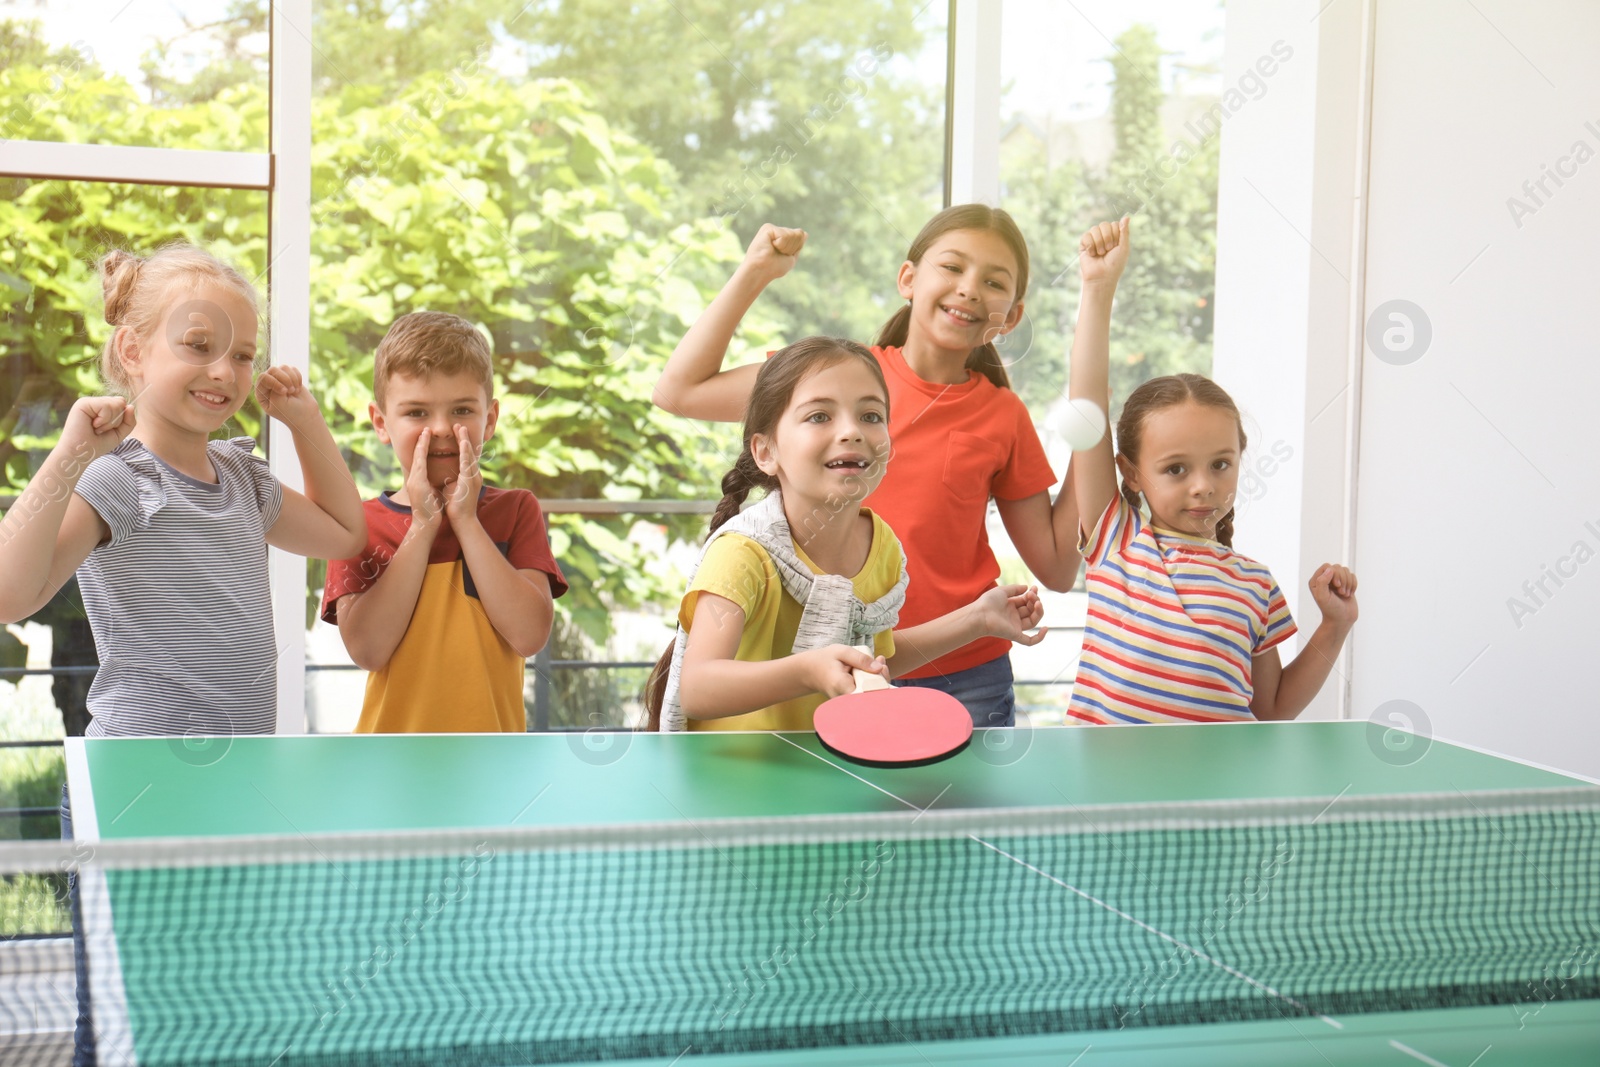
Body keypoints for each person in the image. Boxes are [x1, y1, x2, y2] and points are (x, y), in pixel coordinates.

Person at [0, 241, 367, 1066]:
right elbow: (10, 592)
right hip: (140, 786)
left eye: (242, 353)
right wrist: (67, 457)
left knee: (222, 999)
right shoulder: (118, 480)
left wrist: (303, 418)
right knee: (132, 1009)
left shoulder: (244, 476)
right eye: (198, 345)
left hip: (241, 781)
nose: (226, 371)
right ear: (133, 352)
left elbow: (346, 533)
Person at [652, 206, 1081, 727]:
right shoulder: (835, 376)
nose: (969, 289)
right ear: (908, 278)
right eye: (952, 267)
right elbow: (678, 391)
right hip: (826, 672)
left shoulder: (1000, 418)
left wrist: (1089, 440)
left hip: (963, 677)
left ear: (1010, 316)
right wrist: (755, 273)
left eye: (993, 281)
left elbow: (1058, 566)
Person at [643, 336, 1044, 732]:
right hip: (731, 785)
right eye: (819, 416)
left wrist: (978, 618)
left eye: (871, 416)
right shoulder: (742, 554)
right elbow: (698, 689)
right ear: (766, 452)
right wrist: (807, 670)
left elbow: (871, 659)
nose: (851, 431)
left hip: (820, 775)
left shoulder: (879, 544)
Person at [1066, 217, 1359, 724]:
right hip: (1105, 796)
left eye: (1221, 464)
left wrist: (1335, 624)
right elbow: (1086, 405)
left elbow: (1272, 710)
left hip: (1210, 801)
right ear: (1131, 473)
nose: (1204, 486)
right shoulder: (1115, 538)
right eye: (1176, 469)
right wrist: (1097, 289)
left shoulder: (1255, 584)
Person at [321, 311, 567, 732]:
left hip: (494, 764)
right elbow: (368, 650)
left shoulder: (517, 511)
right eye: (416, 413)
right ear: (382, 423)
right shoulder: (355, 524)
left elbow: (529, 635)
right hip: (389, 764)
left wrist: (467, 522)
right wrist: (422, 526)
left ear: (488, 419)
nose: (440, 429)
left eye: (461, 410)